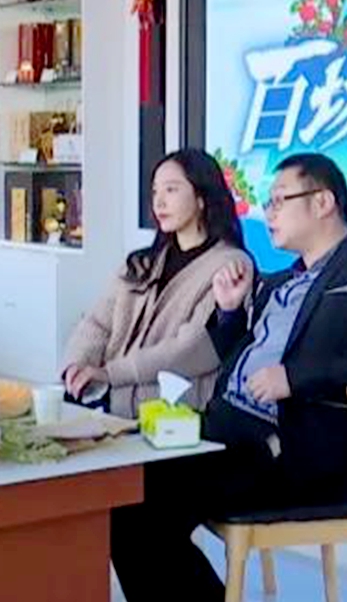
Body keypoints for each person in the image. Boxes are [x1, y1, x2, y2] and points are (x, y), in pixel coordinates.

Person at [109, 152, 347, 602]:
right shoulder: (279, 282)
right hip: (229, 428)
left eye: (279, 201)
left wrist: (294, 378)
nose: (268, 213)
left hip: (300, 449)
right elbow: (237, 353)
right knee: (119, 490)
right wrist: (232, 312)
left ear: (322, 202)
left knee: (151, 504)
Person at [62, 149, 251, 418]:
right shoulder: (142, 263)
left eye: (171, 190)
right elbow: (98, 322)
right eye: (154, 192)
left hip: (173, 418)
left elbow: (190, 349)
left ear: (201, 197)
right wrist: (76, 364)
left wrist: (111, 373)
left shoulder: (230, 264)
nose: (159, 202)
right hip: (113, 409)